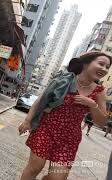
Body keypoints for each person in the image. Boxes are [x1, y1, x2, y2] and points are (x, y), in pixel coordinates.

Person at [18, 52, 111, 180]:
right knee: (34, 167)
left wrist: (92, 105)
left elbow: (101, 122)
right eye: (101, 64)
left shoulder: (99, 91)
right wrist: (27, 120)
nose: (104, 69)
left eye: (107, 67)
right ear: (86, 63)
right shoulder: (64, 79)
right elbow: (41, 100)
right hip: (47, 129)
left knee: (58, 177)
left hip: (69, 139)